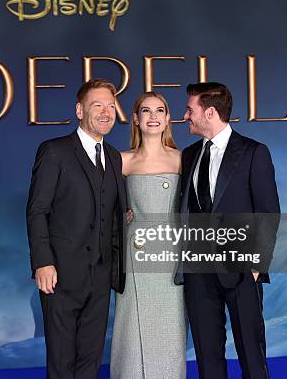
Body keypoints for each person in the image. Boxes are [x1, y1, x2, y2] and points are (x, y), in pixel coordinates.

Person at [26, 78, 127, 379]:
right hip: (60, 274)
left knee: (91, 358)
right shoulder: (55, 151)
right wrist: (43, 262)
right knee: (61, 360)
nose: (107, 112)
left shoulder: (113, 157)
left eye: (111, 106)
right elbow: (37, 210)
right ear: (79, 110)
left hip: (100, 275)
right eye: (98, 105)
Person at [179, 82, 280, 379]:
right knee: (207, 358)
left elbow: (269, 212)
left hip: (241, 272)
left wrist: (257, 265)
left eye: (190, 109)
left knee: (251, 353)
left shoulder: (253, 152)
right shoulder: (189, 155)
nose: (185, 116)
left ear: (209, 112)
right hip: (198, 272)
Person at [110, 92, 186, 379]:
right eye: (146, 111)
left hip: (171, 258)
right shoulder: (121, 161)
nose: (153, 116)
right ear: (136, 119)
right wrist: (120, 220)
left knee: (170, 331)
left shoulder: (183, 160)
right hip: (135, 258)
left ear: (168, 119)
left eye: (159, 110)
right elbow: (104, 207)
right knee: (131, 333)